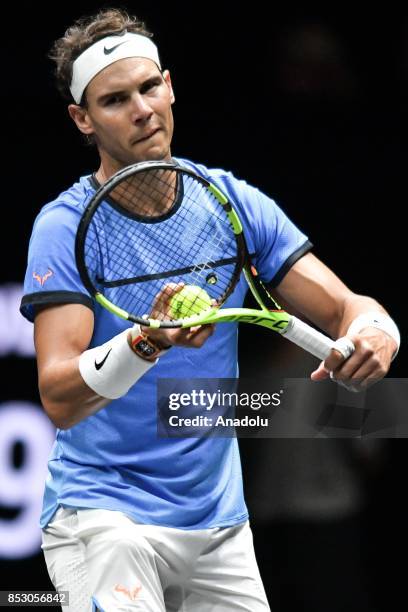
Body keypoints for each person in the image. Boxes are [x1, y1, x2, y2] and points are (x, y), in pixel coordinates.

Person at [20, 8, 400, 612]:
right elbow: (59, 396)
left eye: (149, 87)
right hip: (105, 519)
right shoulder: (64, 227)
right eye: (116, 99)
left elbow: (351, 307)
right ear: (82, 119)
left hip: (219, 525)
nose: (142, 109)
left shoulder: (233, 204)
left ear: (169, 86)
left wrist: (377, 333)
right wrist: (148, 341)